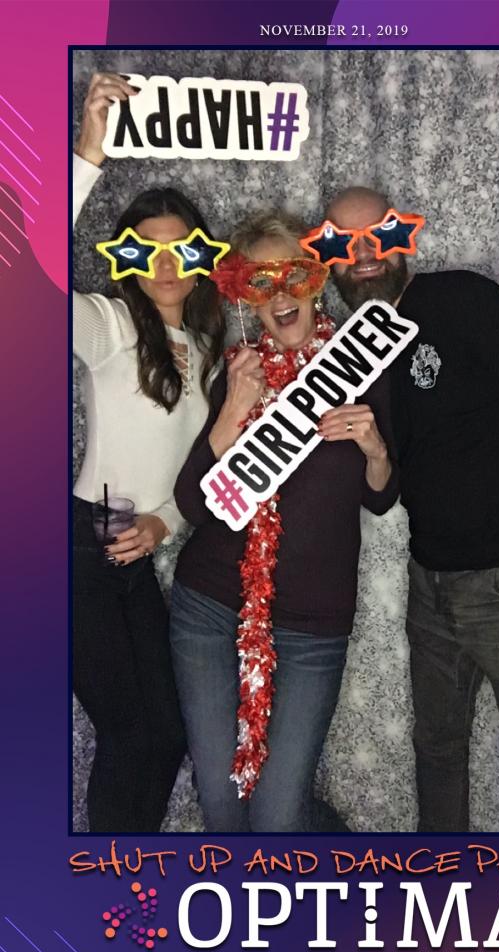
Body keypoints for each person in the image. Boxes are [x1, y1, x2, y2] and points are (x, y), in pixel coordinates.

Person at [317, 186, 499, 833]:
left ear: (402, 238)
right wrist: (370, 449)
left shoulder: (463, 298)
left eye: (377, 235)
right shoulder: (354, 353)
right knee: (436, 756)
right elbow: (383, 491)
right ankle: (440, 882)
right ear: (326, 259)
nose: (363, 254)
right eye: (342, 243)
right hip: (430, 587)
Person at [170, 209, 398, 832]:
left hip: (311, 628)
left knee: (275, 818)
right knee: (222, 810)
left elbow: (380, 499)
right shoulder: (238, 370)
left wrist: (375, 449)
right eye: (260, 282)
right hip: (211, 607)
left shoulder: (363, 365)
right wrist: (233, 411)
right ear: (246, 297)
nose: (280, 295)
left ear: (316, 280)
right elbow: (193, 505)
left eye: (293, 274)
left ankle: (319, 842)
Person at [73, 73, 225, 832]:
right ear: (126, 258)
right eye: (148, 249)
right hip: (77, 547)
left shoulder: (208, 348)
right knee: (132, 733)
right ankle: (103, 880)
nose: (166, 265)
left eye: (182, 249)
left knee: (165, 735)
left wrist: (166, 521)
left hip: (135, 556)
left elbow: (203, 472)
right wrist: (87, 154)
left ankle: (123, 867)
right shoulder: (108, 322)